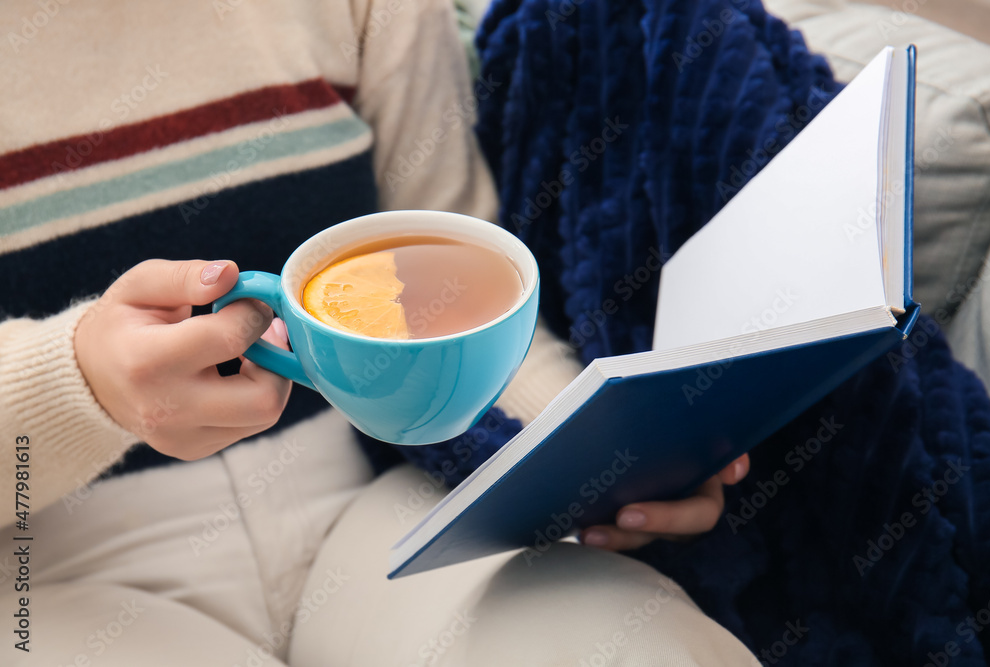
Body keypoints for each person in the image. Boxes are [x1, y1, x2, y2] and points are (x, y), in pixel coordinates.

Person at [0, 0, 756, 664]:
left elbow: (470, 298)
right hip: (47, 568)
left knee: (637, 642)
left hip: (377, 507)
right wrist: (73, 384)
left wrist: (615, 452)